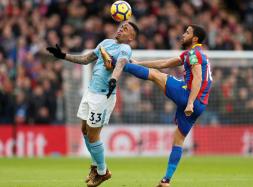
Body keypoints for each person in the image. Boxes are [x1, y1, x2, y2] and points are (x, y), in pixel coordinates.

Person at [104, 24, 212, 187]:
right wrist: (140, 63)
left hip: (189, 96)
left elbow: (197, 78)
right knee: (179, 139)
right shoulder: (192, 54)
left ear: (195, 38)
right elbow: (165, 62)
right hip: (201, 104)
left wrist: (189, 102)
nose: (183, 34)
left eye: (187, 32)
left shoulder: (194, 54)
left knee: (155, 76)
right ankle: (166, 180)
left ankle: (114, 62)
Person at [46, 21, 139, 187]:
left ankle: (103, 172)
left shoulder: (125, 49)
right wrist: (64, 56)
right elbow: (86, 59)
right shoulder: (105, 43)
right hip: (90, 92)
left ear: (131, 37)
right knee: (84, 130)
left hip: (104, 96)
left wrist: (114, 79)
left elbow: (121, 64)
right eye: (121, 26)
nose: (121, 29)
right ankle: (96, 167)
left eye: (126, 29)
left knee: (93, 135)